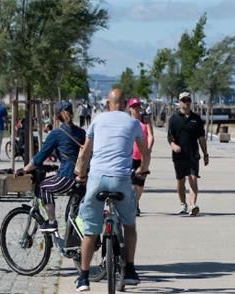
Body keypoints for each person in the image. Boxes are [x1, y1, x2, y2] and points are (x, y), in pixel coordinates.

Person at [75, 88, 150, 291]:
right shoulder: (133, 123)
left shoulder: (97, 121)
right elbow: (145, 154)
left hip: (97, 180)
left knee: (90, 230)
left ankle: (83, 277)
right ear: (125, 104)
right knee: (129, 224)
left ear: (108, 104)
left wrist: (81, 175)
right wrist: (142, 171)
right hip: (120, 180)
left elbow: (84, 154)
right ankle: (131, 270)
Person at [16, 101, 85, 232]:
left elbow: (39, 158)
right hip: (83, 177)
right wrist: (54, 167)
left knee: (44, 187)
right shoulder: (81, 132)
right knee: (73, 213)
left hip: (67, 176)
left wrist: (24, 169)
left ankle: (52, 222)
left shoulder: (56, 134)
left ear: (56, 116)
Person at [167, 91, 209, 216]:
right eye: (184, 100)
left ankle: (193, 205)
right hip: (179, 156)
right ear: (179, 102)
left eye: (188, 100)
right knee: (180, 180)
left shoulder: (196, 119)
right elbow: (170, 137)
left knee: (193, 178)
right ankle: (183, 204)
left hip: (193, 154)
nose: (186, 102)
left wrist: (205, 154)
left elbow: (201, 138)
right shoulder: (174, 119)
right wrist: (173, 145)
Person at [128, 97, 154, 216]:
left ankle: (135, 203)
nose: (136, 109)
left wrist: (148, 149)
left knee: (140, 183)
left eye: (138, 106)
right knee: (133, 182)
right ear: (130, 109)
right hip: (131, 156)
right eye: (134, 107)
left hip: (143, 156)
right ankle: (133, 205)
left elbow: (150, 136)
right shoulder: (127, 122)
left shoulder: (145, 121)